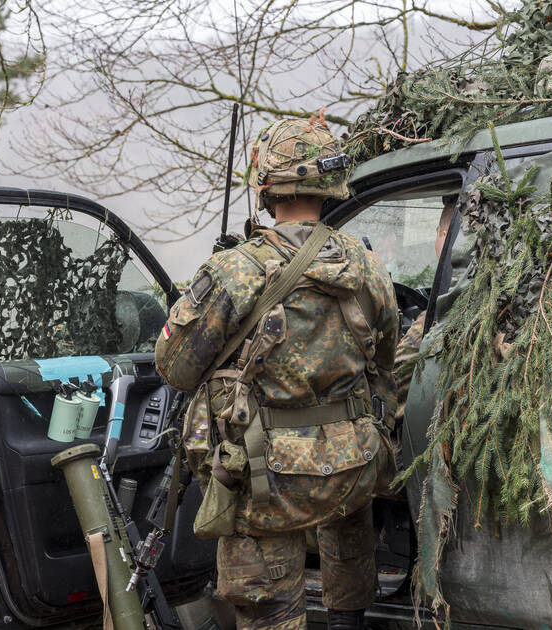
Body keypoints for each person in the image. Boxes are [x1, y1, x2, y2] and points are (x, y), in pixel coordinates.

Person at [155, 114, 399, 630]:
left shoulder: (236, 270)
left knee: (273, 616)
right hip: (352, 469)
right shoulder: (368, 267)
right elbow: (385, 365)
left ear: (267, 187)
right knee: (348, 597)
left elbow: (174, 368)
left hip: (269, 482)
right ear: (329, 186)